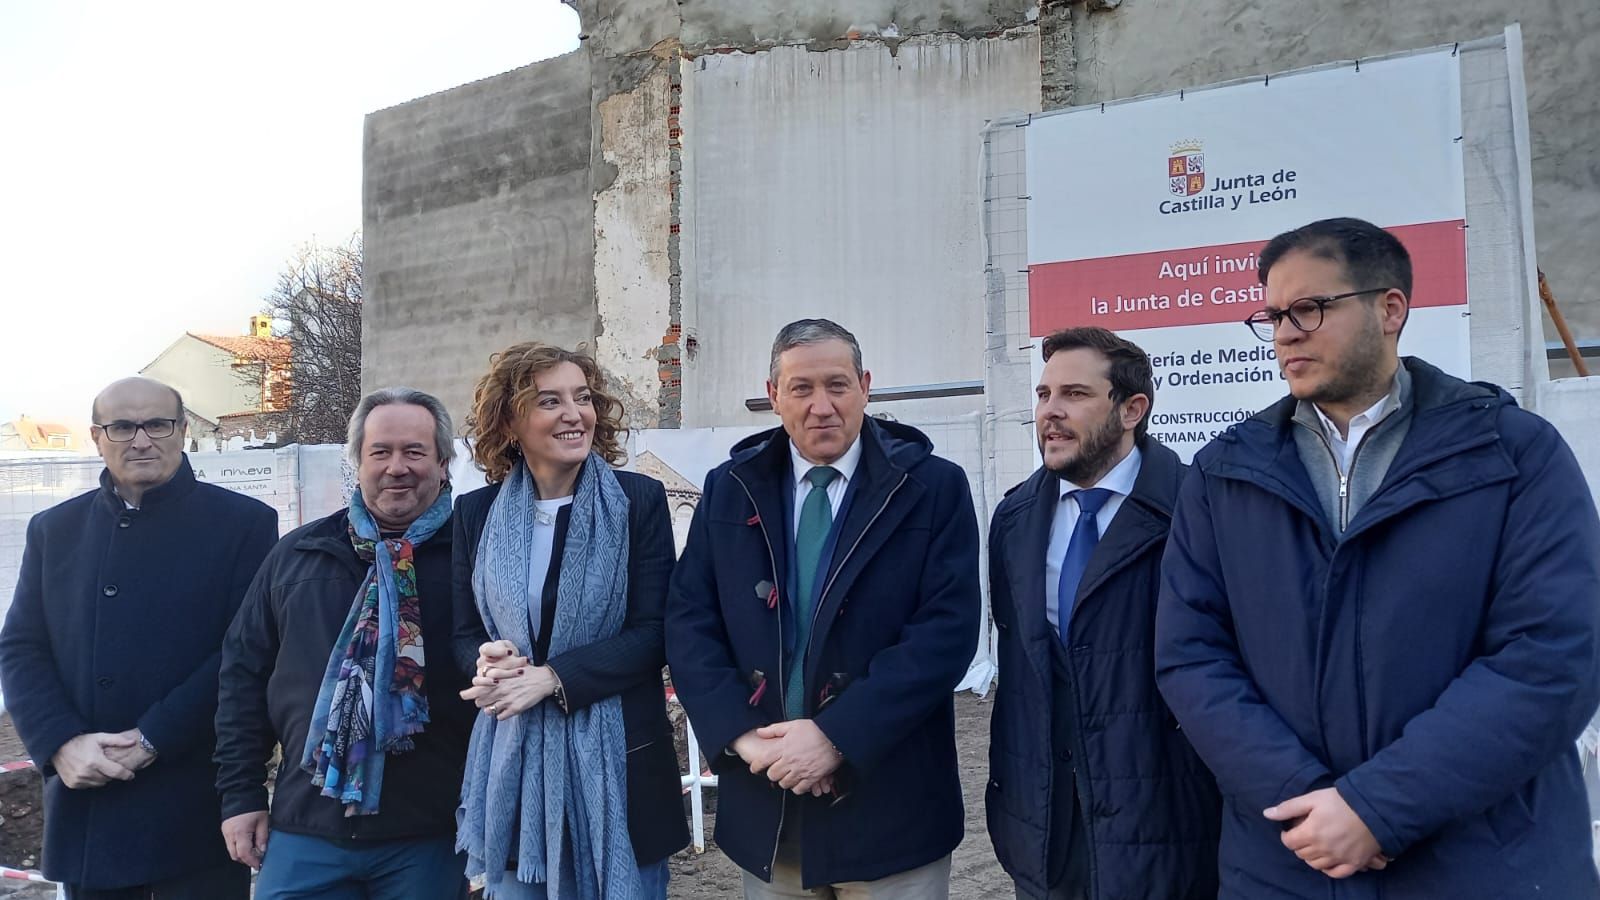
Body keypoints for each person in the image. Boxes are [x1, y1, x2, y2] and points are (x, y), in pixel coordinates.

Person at [1156, 217, 1600, 897]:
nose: (1284, 331)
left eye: (1310, 308)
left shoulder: (1512, 455)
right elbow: (1192, 655)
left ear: (1389, 308)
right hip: (1289, 862)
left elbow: (1551, 654)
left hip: (1483, 863)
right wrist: (1307, 801)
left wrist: (1379, 806)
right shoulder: (1223, 474)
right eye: (1273, 314)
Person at [666, 318, 981, 897]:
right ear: (773, 394)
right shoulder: (729, 488)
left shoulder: (932, 488)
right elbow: (690, 622)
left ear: (865, 386)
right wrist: (743, 737)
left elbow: (946, 634)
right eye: (802, 388)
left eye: (837, 385)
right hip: (768, 808)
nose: (822, 406)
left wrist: (837, 736)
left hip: (891, 811)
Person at [0, 376, 277, 900]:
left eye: (157, 424)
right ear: (97, 436)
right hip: (90, 801)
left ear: (184, 430)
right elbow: (21, 646)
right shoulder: (54, 529)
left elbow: (244, 654)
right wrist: (59, 744)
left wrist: (152, 738)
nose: (141, 440)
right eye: (122, 426)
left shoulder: (244, 525)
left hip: (192, 803)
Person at [214, 387, 476, 899]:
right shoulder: (299, 555)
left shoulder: (477, 557)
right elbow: (242, 678)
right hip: (307, 826)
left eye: (414, 452)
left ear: (443, 464)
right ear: (358, 461)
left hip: (432, 834)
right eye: (380, 452)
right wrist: (241, 794)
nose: (396, 467)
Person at [987, 328, 1219, 900]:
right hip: (1045, 836)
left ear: (1132, 409)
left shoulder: (1199, 509)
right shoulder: (1013, 519)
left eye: (1075, 394)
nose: (1051, 412)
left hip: (1165, 833)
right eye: (1043, 396)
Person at [453, 342, 688, 898]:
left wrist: (554, 677)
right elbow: (463, 634)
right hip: (513, 771)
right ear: (510, 422)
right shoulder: (476, 514)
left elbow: (656, 632)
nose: (573, 414)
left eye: (582, 398)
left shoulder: (639, 501)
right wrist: (485, 663)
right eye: (549, 401)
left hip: (621, 771)